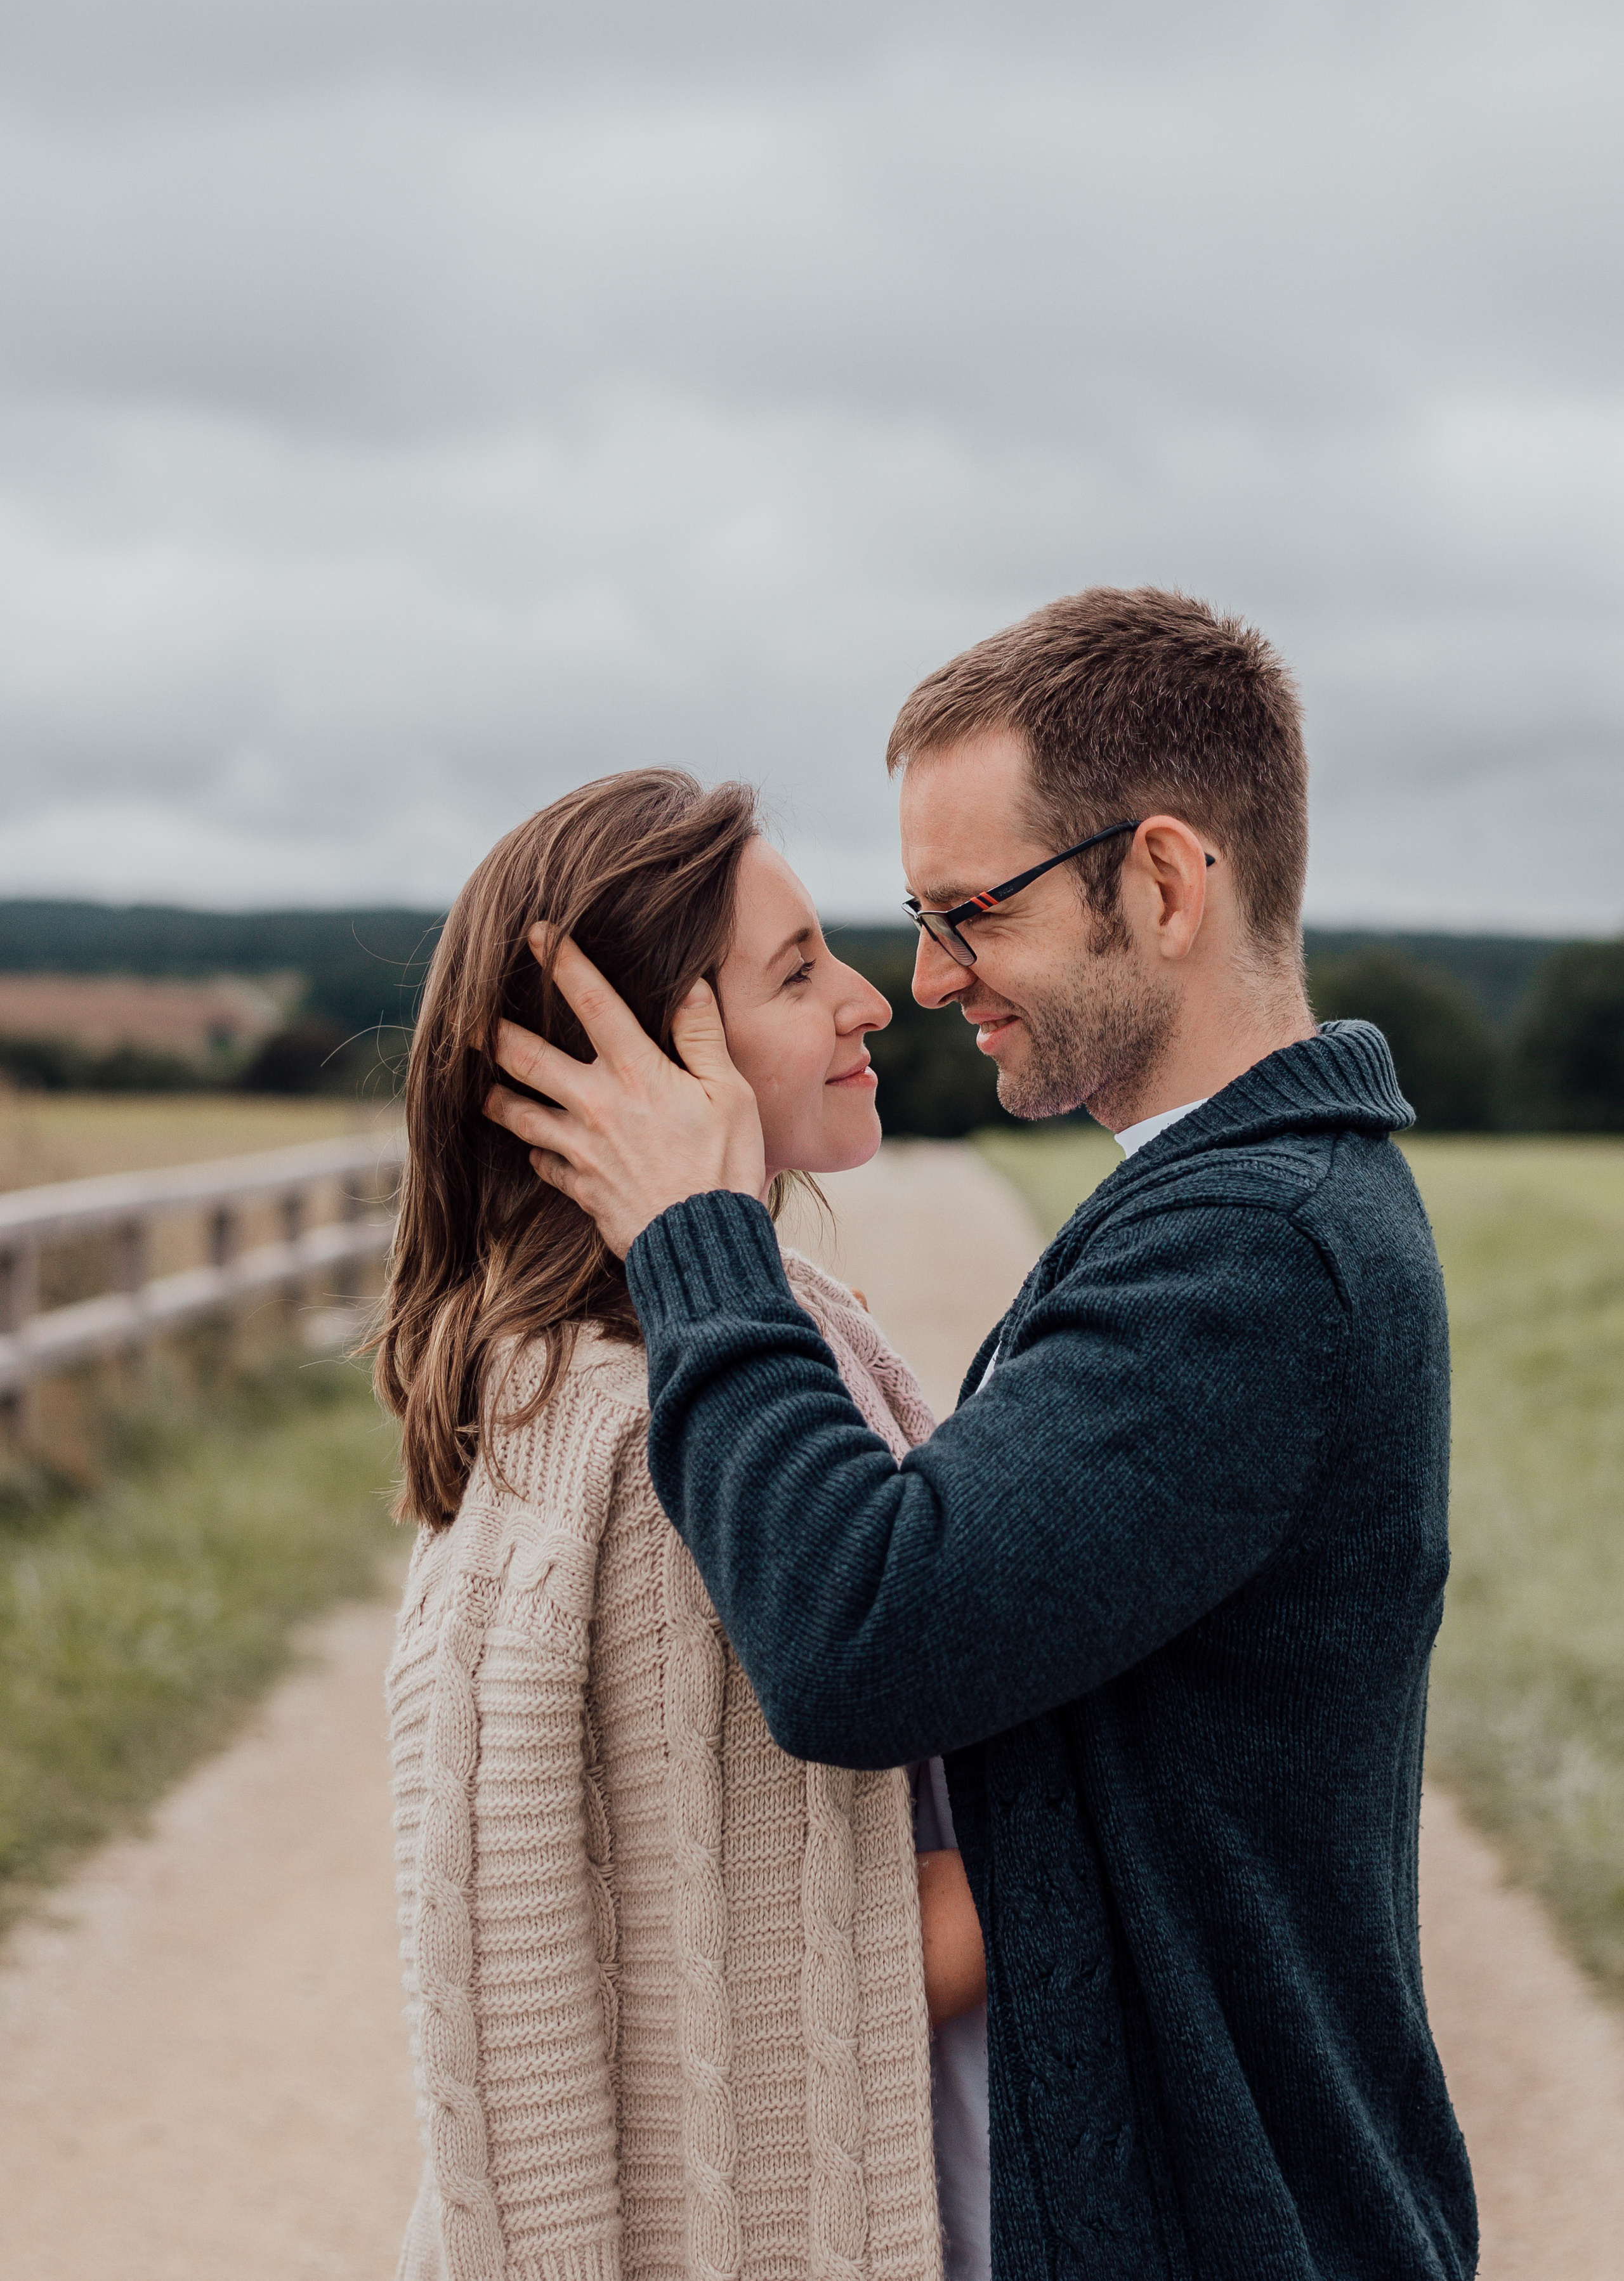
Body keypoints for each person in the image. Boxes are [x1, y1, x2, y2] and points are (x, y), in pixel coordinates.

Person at [484, 590, 1479, 2280]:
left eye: (970, 913)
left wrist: (699, 1245)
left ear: (1163, 882)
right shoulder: (1222, 1205)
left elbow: (863, 1635)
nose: (929, 977)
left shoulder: (1257, 1250)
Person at [373, 767, 990, 2281]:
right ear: (648, 1061)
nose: (869, 1000)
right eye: (793, 973)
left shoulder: (777, 1337)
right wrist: (1155, 1817)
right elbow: (765, 1981)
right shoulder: (653, 1447)